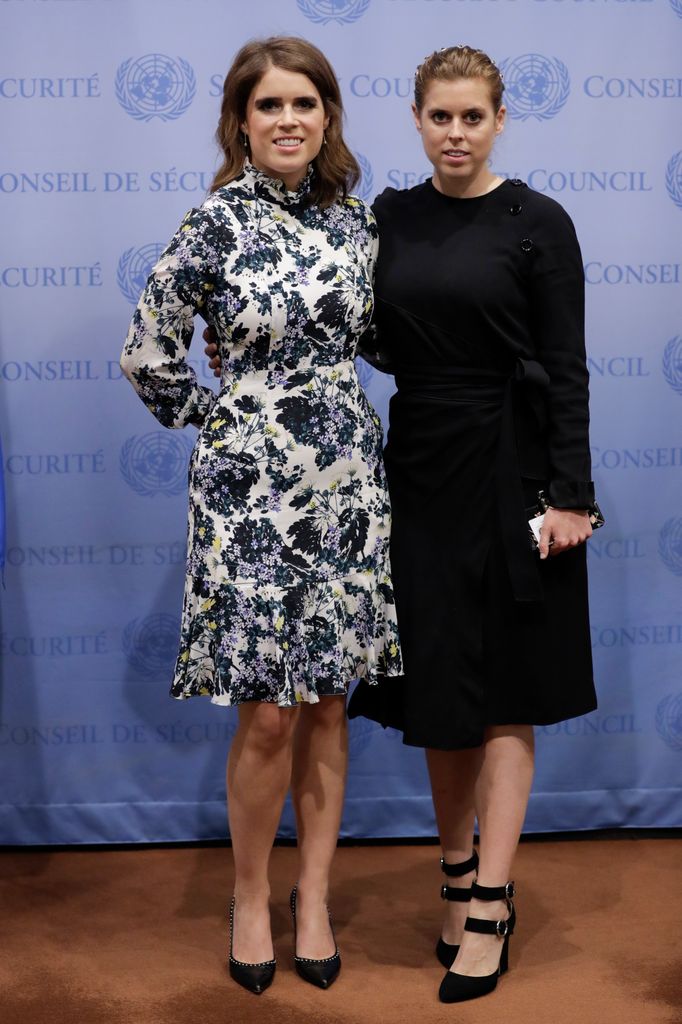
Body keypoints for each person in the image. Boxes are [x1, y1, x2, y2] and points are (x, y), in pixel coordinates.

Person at [121, 36, 401, 996]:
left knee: (329, 702)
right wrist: (223, 421)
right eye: (270, 105)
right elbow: (148, 353)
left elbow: (393, 338)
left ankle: (312, 896)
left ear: (327, 119)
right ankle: (250, 896)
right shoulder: (215, 224)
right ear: (241, 121)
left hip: (349, 489)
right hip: (248, 495)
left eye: (306, 104)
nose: (289, 120)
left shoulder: (358, 226)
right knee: (269, 715)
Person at [347, 45, 599, 1003]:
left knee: (504, 688)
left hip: (518, 467)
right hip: (416, 466)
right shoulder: (388, 219)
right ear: (416, 119)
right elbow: (348, 326)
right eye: (440, 117)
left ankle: (492, 902)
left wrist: (569, 493)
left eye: (473, 118)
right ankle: (453, 878)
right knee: (436, 688)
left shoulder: (540, 223)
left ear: (500, 120)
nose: (456, 134)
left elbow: (567, 366)